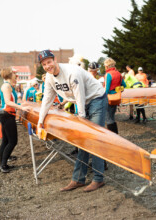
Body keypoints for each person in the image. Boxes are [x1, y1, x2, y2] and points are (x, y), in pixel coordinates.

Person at [37, 50, 107, 192]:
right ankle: (78, 179)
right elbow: (47, 99)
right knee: (82, 140)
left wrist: (81, 119)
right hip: (82, 101)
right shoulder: (50, 78)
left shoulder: (71, 72)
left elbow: (79, 96)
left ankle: (98, 179)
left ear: (55, 60)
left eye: (49, 62)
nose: (48, 66)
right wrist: (40, 121)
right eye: (44, 64)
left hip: (96, 98)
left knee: (94, 137)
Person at [0, 67, 31, 173]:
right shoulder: (6, 86)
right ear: (9, 75)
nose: (16, 76)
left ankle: (3, 163)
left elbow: (11, 101)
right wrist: (21, 107)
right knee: (12, 141)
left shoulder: (9, 86)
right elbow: (7, 102)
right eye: (14, 74)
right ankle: (3, 165)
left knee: (6, 141)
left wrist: (22, 104)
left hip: (6, 114)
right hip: (7, 114)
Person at [104, 58, 125, 134]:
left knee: (108, 118)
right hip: (116, 98)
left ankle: (113, 137)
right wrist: (117, 90)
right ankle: (116, 135)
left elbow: (107, 89)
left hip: (109, 98)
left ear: (107, 66)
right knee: (112, 117)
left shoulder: (108, 74)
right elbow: (124, 85)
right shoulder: (118, 73)